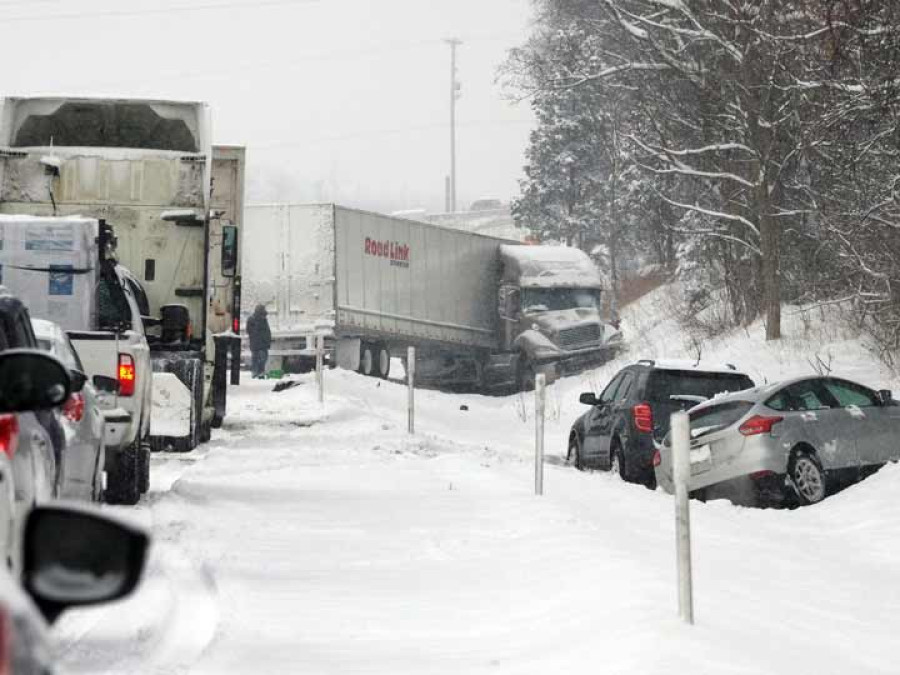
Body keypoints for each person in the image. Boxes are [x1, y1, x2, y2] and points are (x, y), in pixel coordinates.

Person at [247, 304, 272, 379]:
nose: (264, 315)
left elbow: (267, 331)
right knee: (257, 358)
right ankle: (256, 372)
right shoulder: (252, 319)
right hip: (257, 344)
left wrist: (268, 341)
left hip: (262, 343)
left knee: (263, 358)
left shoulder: (263, 319)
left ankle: (259, 372)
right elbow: (250, 331)